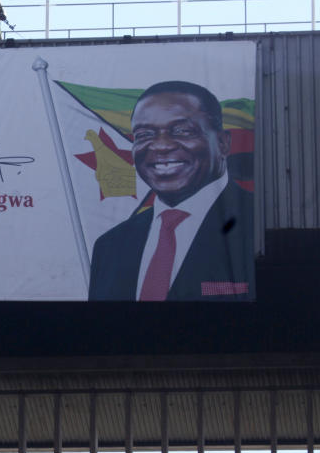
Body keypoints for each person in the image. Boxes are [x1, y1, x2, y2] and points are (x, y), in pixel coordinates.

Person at [88, 80, 254, 301]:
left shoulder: (255, 225)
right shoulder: (109, 246)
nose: (161, 145)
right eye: (145, 134)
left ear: (223, 143)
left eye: (182, 131)